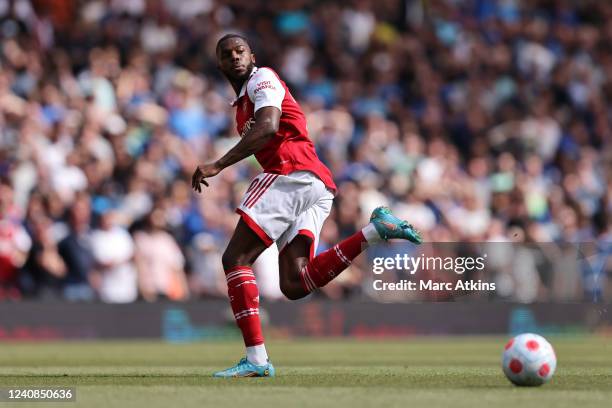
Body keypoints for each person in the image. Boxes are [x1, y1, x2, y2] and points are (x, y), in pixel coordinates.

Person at [191, 34, 422, 378]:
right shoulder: (240, 103)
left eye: (240, 51)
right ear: (220, 63)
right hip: (315, 182)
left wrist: (218, 164)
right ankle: (375, 231)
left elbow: (269, 126)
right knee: (296, 284)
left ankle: (256, 360)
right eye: (227, 54)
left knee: (235, 259)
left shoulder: (262, 79)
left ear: (251, 55)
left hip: (291, 172)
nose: (235, 57)